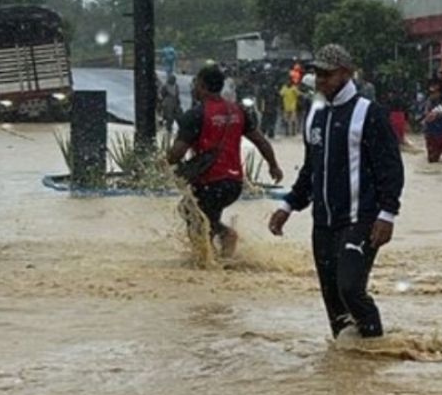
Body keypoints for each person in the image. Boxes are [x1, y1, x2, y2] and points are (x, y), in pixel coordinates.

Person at [269, 45, 404, 340]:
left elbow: (391, 168)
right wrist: (288, 206)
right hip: (323, 224)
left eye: (327, 75)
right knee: (333, 299)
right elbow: (311, 170)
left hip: (360, 220)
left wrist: (387, 214)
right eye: (317, 74)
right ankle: (347, 359)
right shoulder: (315, 115)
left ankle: (376, 349)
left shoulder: (369, 113)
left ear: (346, 73)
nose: (320, 80)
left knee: (350, 289)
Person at [168, 65, 284, 257]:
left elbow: (176, 154)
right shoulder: (237, 111)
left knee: (191, 212)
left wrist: (164, 162)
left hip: (209, 181)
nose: (194, 88)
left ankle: (212, 252)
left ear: (202, 85)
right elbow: (261, 141)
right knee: (204, 216)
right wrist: (274, 166)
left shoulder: (196, 115)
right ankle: (222, 256)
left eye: (196, 83)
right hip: (234, 183)